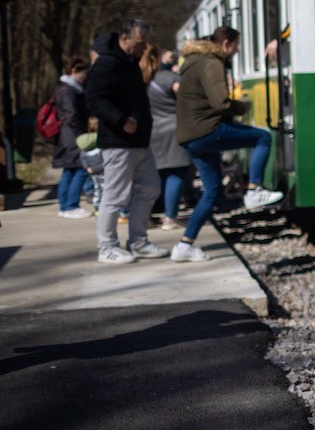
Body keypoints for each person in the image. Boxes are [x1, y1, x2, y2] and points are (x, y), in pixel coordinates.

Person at [173, 26, 282, 262]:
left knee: (211, 192)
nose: (237, 50)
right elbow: (220, 103)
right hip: (208, 130)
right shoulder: (212, 62)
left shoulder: (193, 61)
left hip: (191, 136)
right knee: (262, 137)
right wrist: (242, 106)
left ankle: (184, 246)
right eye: (236, 45)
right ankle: (254, 190)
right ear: (225, 45)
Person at [85, 19, 166, 264]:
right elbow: (94, 100)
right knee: (115, 194)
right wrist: (121, 120)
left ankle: (138, 241)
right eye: (140, 44)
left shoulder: (129, 62)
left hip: (139, 141)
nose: (144, 49)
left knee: (150, 188)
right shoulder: (107, 63)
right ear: (124, 37)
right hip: (118, 141)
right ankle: (107, 247)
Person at [147, 43, 191, 230]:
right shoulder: (168, 78)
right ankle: (170, 217)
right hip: (173, 129)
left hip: (151, 131)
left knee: (157, 174)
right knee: (176, 173)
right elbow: (186, 95)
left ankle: (149, 214)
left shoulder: (141, 80)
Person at [52, 56, 92, 219]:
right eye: (84, 73)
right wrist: (81, 134)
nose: (85, 76)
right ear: (75, 71)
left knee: (69, 171)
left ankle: (65, 205)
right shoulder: (69, 90)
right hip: (72, 135)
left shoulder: (64, 88)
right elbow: (72, 115)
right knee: (81, 169)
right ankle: (71, 205)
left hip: (66, 135)